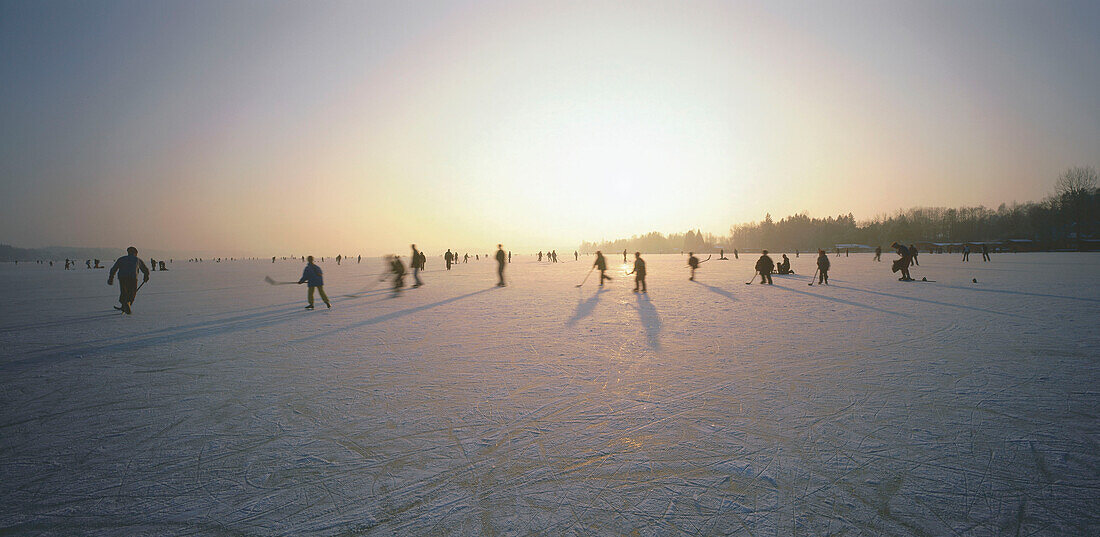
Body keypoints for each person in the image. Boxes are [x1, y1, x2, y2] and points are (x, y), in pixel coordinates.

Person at [107, 246, 150, 314]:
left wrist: (111, 278)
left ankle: (124, 304)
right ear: (135, 253)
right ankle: (127, 303)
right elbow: (145, 269)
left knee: (124, 291)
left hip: (122, 278)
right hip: (132, 278)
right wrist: (146, 276)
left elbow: (113, 269)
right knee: (132, 292)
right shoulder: (137, 259)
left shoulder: (121, 259)